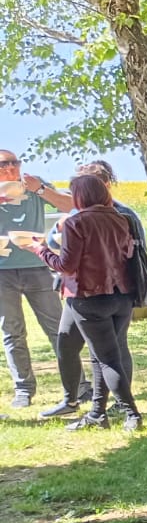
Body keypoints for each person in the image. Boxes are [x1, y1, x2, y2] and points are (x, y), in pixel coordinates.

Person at [17, 175, 140, 431]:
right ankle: (92, 411)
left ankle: (131, 414)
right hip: (120, 295)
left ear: (80, 196)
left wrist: (39, 249)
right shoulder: (122, 218)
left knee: (106, 359)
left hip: (88, 297)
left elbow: (65, 265)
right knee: (68, 342)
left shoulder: (76, 222)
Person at [0, 149, 65, 409]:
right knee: (12, 332)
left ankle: (78, 385)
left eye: (14, 163)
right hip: (2, 272)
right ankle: (23, 389)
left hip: (38, 267)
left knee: (59, 329)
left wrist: (40, 190)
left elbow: (70, 206)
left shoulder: (34, 184)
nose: (10, 168)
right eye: (3, 164)